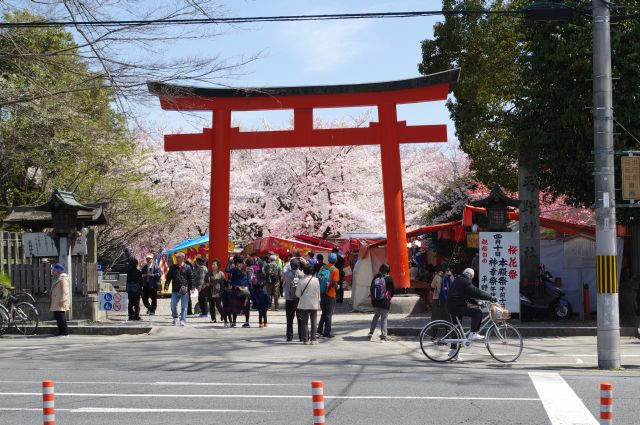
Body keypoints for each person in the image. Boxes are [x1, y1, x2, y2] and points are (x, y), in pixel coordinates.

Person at [447, 268, 495, 359]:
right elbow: (477, 292)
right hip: (457, 307)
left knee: (456, 328)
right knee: (477, 313)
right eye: (472, 277)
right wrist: (490, 297)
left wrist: (478, 303)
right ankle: (473, 333)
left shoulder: (460, 280)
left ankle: (453, 352)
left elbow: (468, 297)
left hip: (453, 306)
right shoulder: (465, 282)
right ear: (470, 275)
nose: (471, 279)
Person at [164, 252, 194, 326]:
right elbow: (168, 278)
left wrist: (192, 287)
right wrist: (166, 286)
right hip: (175, 289)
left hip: (185, 289)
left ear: (183, 258)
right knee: (172, 305)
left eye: (179, 258)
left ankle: (183, 320)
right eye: (176, 258)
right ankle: (175, 317)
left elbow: (191, 278)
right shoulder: (173, 267)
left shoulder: (188, 267)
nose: (177, 259)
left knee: (184, 306)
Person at [368, 263, 395, 342]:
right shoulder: (389, 279)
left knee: (376, 316)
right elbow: (393, 291)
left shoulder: (376, 277)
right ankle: (383, 336)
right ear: (388, 271)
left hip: (375, 302)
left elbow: (371, 288)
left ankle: (371, 332)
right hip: (384, 302)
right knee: (384, 319)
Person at [296, 263, 321, 345]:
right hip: (314, 303)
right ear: (312, 271)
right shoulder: (316, 280)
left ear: (304, 271)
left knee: (304, 322)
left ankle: (305, 339)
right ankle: (313, 339)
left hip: (304, 304)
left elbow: (298, 294)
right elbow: (318, 292)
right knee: (314, 321)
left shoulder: (300, 281)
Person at [317, 253, 340, 338]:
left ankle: (319, 330)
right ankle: (327, 332)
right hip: (330, 294)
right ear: (335, 260)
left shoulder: (322, 267)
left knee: (324, 313)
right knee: (329, 314)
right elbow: (334, 284)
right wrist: (338, 286)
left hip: (322, 293)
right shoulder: (335, 270)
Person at [283, 258, 304, 341]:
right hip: (298, 299)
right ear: (298, 266)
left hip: (289, 298)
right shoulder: (301, 274)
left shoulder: (287, 274)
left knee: (289, 319)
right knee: (300, 318)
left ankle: (289, 336)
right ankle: (301, 336)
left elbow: (284, 268)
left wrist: (290, 261)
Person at [50, 263, 70, 337]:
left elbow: (65, 291)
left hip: (60, 300)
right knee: (58, 317)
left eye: (53, 270)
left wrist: (63, 300)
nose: (52, 271)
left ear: (57, 271)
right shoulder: (57, 278)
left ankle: (65, 332)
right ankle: (60, 331)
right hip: (56, 300)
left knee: (61, 317)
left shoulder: (63, 279)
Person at [207, 258, 225, 323]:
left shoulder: (221, 274)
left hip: (218, 292)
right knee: (211, 306)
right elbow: (206, 281)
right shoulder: (209, 273)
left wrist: (222, 291)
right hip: (211, 291)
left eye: (214, 264)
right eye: (212, 264)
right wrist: (207, 284)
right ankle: (213, 319)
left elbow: (223, 284)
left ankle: (223, 314)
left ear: (218, 266)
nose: (213, 266)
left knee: (218, 305)